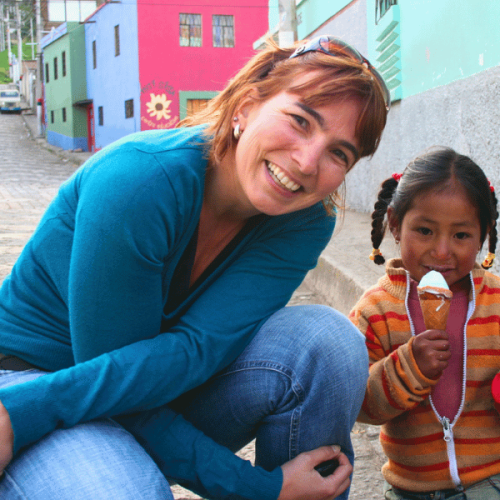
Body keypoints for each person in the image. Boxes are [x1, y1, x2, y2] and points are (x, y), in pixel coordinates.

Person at [0, 35, 389, 500]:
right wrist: (256, 488)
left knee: (328, 342)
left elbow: (197, 351)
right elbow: (118, 382)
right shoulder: (140, 180)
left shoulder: (304, 219)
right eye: (300, 120)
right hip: (33, 377)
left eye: (339, 153)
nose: (308, 163)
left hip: (117, 392)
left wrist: (261, 490)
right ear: (246, 107)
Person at [349, 147, 500, 500]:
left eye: (461, 235)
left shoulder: (496, 302)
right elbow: (356, 404)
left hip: (492, 480)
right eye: (425, 230)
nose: (442, 251)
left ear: (483, 234)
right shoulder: (376, 311)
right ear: (395, 224)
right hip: (411, 489)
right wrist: (407, 368)